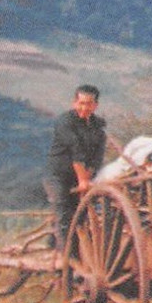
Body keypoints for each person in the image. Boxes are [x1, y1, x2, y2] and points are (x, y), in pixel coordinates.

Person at [44, 83, 107, 247]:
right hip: (58, 176)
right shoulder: (64, 122)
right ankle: (67, 267)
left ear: (95, 105)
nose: (85, 108)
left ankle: (60, 249)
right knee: (64, 218)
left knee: (80, 218)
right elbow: (76, 150)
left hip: (81, 177)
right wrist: (83, 181)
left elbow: (97, 157)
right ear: (74, 103)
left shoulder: (98, 127)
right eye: (81, 103)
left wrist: (87, 177)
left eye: (89, 104)